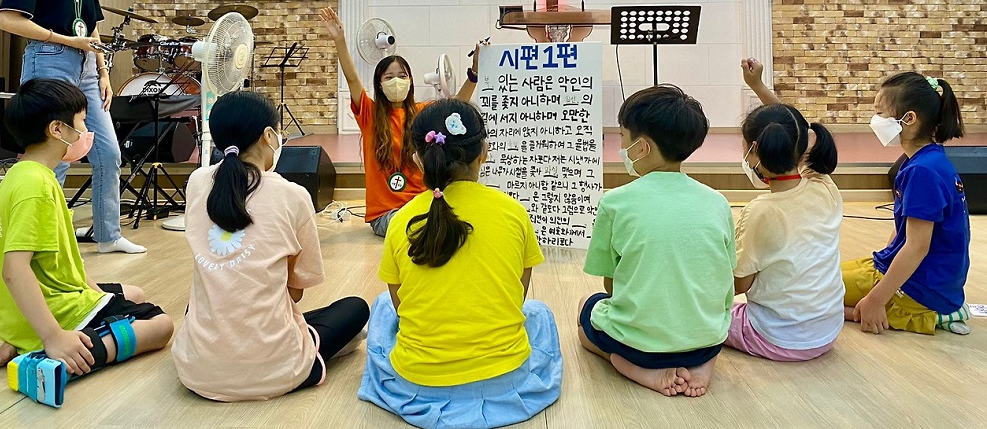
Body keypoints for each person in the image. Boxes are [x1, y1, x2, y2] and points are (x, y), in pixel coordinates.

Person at [358, 99, 561, 429]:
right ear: (485, 151)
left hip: (419, 383)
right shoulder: (513, 212)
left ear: (416, 159)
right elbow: (517, 297)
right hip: (506, 380)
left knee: (382, 307)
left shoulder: (401, 221)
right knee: (539, 314)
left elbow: (400, 305)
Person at [171, 91, 369, 401]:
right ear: (268, 135)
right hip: (276, 372)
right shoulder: (293, 196)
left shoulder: (197, 181)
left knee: (205, 303)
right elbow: (294, 291)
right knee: (355, 308)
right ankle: (309, 348)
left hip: (196, 372)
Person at [0, 79, 172, 385]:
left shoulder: (20, 175)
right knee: (160, 324)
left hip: (17, 314)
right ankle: (54, 356)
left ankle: (26, 340)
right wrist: (53, 335)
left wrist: (93, 293)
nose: (86, 132)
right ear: (57, 130)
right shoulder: (37, 185)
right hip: (54, 310)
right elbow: (14, 270)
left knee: (133, 293)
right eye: (82, 122)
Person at [0, 0, 144, 253]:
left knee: (107, 152)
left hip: (86, 69)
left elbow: (91, 26)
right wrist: (63, 39)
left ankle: (108, 235)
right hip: (48, 59)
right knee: (55, 152)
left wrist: (103, 71)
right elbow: (6, 19)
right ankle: (46, 237)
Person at [579, 85, 734, 398]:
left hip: (639, 350)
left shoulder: (616, 202)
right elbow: (723, 279)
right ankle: (705, 363)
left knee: (586, 310)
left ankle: (627, 366)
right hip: (707, 341)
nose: (621, 148)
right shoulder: (718, 202)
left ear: (642, 147)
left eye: (623, 138)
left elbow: (612, 286)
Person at [319, 7, 484, 236]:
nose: (396, 81)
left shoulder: (422, 113)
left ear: (411, 81)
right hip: (386, 214)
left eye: (402, 76)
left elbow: (457, 104)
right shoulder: (369, 113)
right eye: (389, 77)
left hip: (424, 205)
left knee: (457, 222)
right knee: (422, 228)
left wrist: (474, 73)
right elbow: (352, 78)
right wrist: (340, 39)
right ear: (379, 84)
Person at [728, 59, 843, 361]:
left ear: (754, 150)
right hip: (826, 332)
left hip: (778, 337)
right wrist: (758, 87)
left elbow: (739, 285)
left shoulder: (761, 211)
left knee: (693, 313)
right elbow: (796, 130)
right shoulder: (825, 187)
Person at [843, 72, 972, 335]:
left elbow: (917, 247)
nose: (875, 120)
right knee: (821, 279)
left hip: (921, 288)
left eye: (880, 113)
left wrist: (877, 299)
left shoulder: (923, 171)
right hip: (918, 275)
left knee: (812, 292)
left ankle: (923, 313)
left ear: (909, 118)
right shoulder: (926, 161)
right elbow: (903, 232)